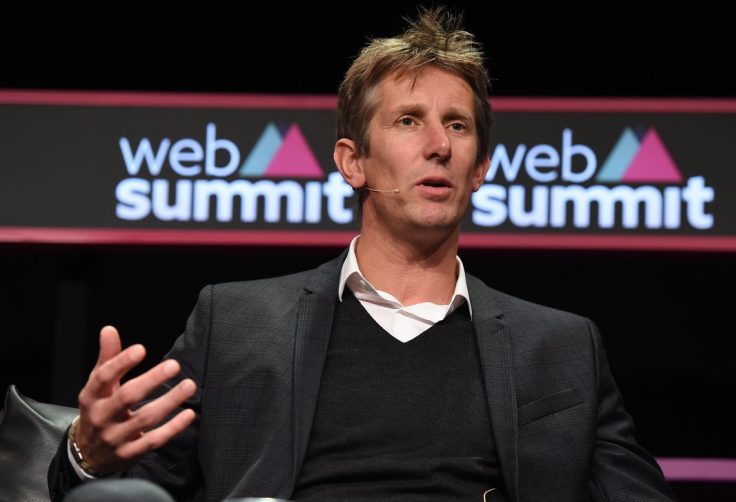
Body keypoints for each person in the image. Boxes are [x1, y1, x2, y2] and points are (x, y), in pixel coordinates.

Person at [49, 7, 677, 502]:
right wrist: (86, 453)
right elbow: (129, 489)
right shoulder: (235, 323)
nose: (439, 145)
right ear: (353, 162)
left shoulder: (562, 346)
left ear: (480, 168)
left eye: (458, 125)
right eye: (408, 121)